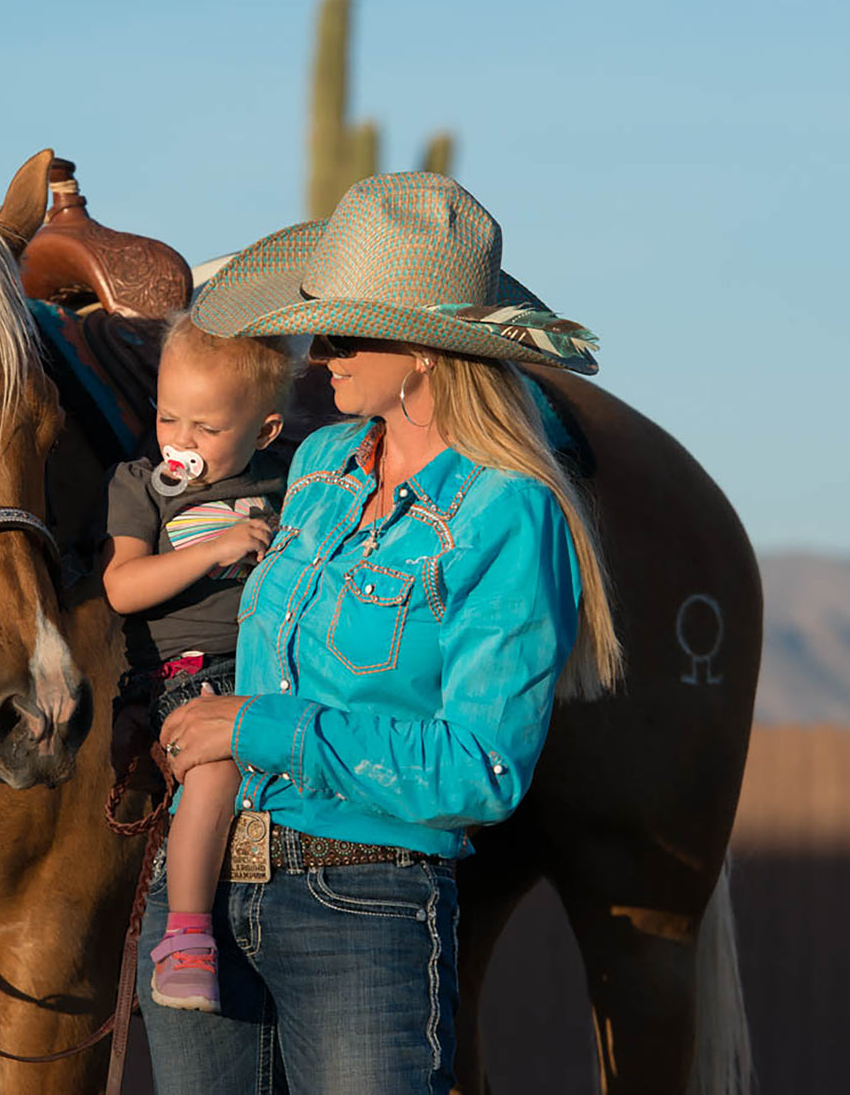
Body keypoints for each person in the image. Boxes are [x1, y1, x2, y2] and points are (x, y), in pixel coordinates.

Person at [138, 173, 623, 1094]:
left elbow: (481, 769)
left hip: (364, 904)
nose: (319, 350)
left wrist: (255, 729)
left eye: (346, 329)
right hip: (199, 894)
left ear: (428, 351)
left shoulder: (510, 515)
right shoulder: (317, 466)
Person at [102, 314, 293, 1013]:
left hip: (277, 669)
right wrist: (212, 550)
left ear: (264, 432)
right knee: (212, 774)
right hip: (191, 675)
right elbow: (123, 586)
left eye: (205, 430)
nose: (180, 442)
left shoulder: (292, 478)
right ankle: (185, 937)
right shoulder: (143, 486)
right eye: (167, 418)